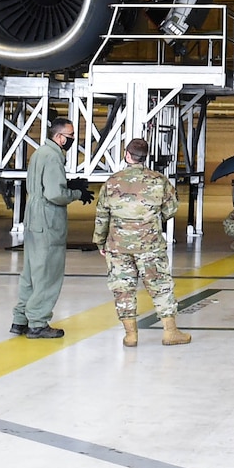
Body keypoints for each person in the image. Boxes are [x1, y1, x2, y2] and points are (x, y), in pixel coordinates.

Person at [96, 138, 191, 347]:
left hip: (118, 246)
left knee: (123, 288)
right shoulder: (159, 180)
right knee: (160, 286)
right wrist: (152, 219)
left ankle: (131, 335)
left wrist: (100, 241)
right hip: (150, 245)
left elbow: (102, 214)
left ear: (127, 155)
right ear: (144, 157)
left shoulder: (112, 182)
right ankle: (170, 332)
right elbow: (171, 209)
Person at [11, 119, 77, 339]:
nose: (72, 140)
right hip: (48, 219)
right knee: (48, 273)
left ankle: (20, 319)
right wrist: (75, 194)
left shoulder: (39, 153)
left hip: (33, 218)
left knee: (31, 272)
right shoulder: (53, 157)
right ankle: (38, 323)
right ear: (59, 137)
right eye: (70, 136)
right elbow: (55, 194)